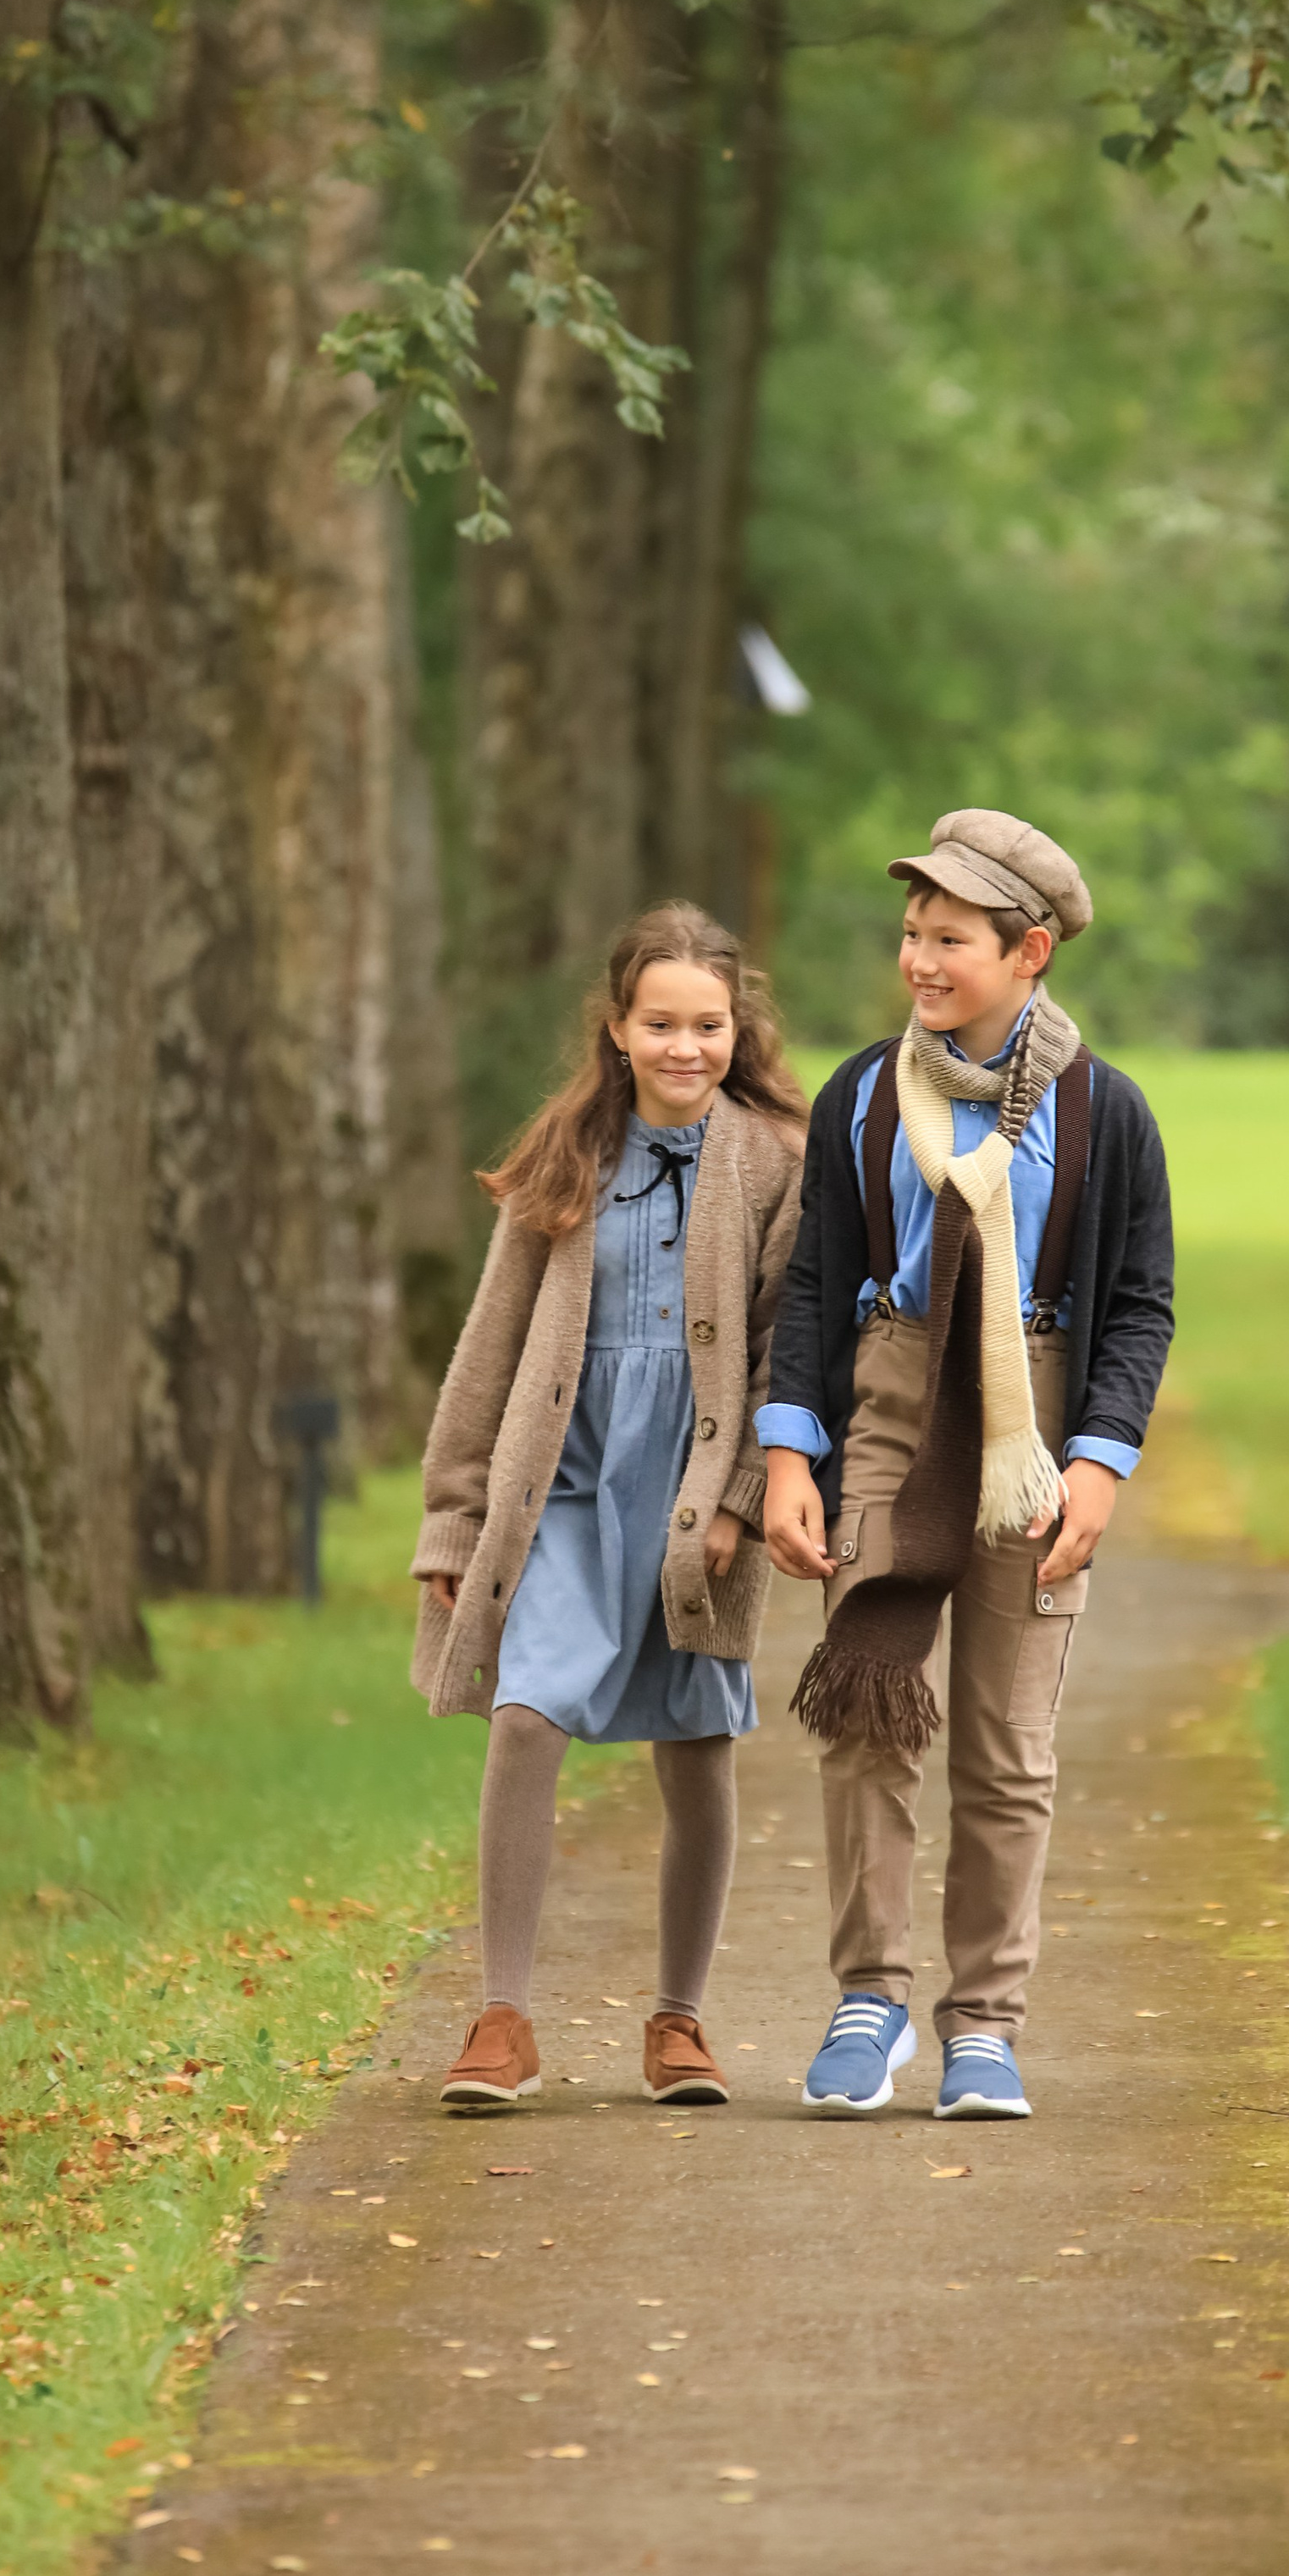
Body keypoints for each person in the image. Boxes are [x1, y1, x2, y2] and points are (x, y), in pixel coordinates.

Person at [759, 810, 1174, 2121]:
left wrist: (1100, 1462)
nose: (920, 961)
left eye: (951, 940)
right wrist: (790, 1453)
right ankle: (869, 1997)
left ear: (1029, 953)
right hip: (887, 1404)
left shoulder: (1105, 1111)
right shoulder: (862, 1095)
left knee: (1006, 1747)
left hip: (1030, 1433)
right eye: (911, 934)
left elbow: (1140, 1304)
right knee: (866, 1718)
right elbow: (815, 1283)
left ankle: (985, 2023)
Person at [411, 903, 808, 2112]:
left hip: (696, 1497)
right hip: (568, 1490)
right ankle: (503, 2017)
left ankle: (679, 2020)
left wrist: (742, 1497)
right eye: (661, 1024)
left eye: (709, 1024)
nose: (686, 1047)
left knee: (696, 1743)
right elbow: (489, 1345)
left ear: (738, 1029)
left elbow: (787, 1348)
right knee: (527, 1715)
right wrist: (454, 1517)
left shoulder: (775, 1161)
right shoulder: (568, 1154)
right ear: (618, 1029)